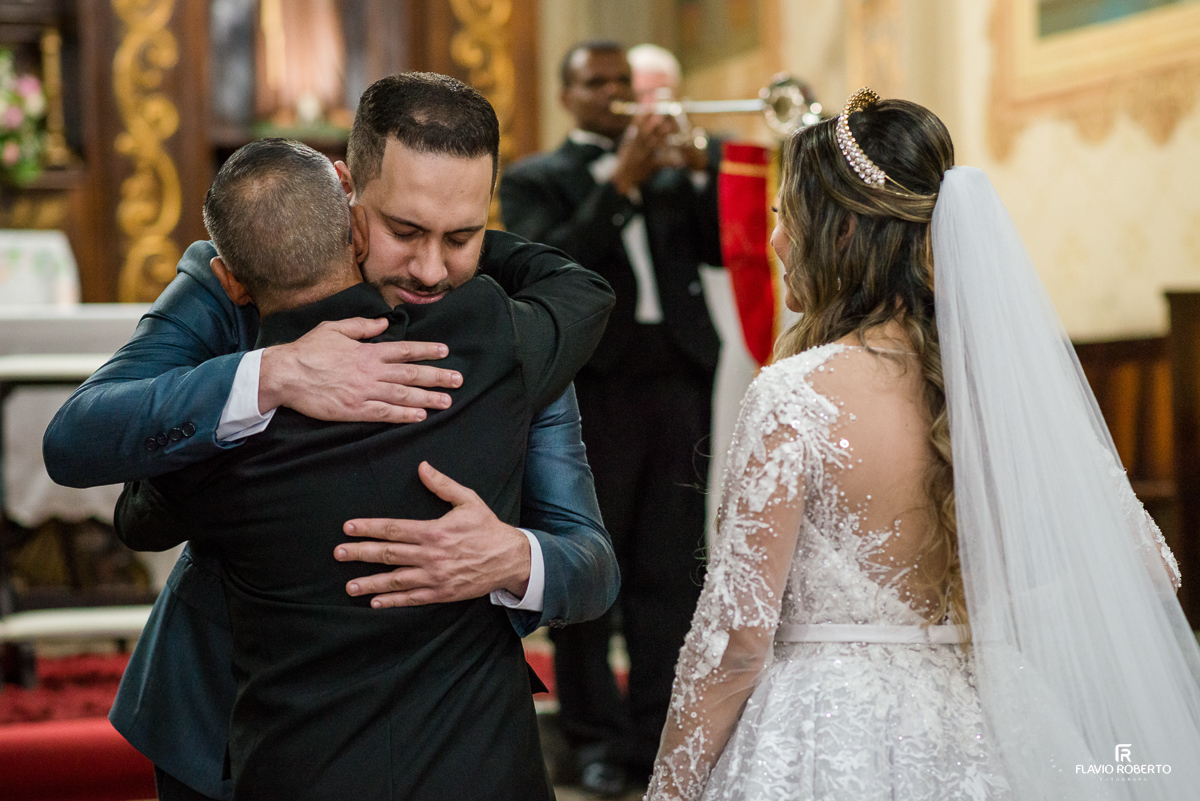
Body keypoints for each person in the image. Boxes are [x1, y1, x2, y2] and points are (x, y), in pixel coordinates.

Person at [43, 72, 620, 801]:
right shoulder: (233, 275)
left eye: (462, 236)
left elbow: (592, 562)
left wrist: (516, 555)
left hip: (460, 733)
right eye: (406, 230)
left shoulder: (504, 327)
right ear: (345, 192)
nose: (432, 269)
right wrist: (269, 375)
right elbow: (80, 440)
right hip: (227, 720)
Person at [645, 90, 1200, 800]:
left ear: (840, 234)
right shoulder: (1000, 391)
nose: (776, 240)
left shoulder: (794, 394)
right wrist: (990, 611)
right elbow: (1152, 565)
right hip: (986, 721)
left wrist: (668, 787)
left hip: (824, 731)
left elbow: (738, 639)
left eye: (786, 217)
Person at [500, 41, 722, 794]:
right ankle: (595, 736)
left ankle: (660, 729)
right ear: (568, 96)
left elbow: (727, 245)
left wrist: (697, 169)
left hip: (680, 378)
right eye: (596, 83)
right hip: (597, 386)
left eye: (620, 81)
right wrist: (620, 183)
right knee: (594, 566)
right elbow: (549, 266)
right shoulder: (538, 177)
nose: (612, 94)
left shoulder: (668, 169)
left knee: (671, 568)